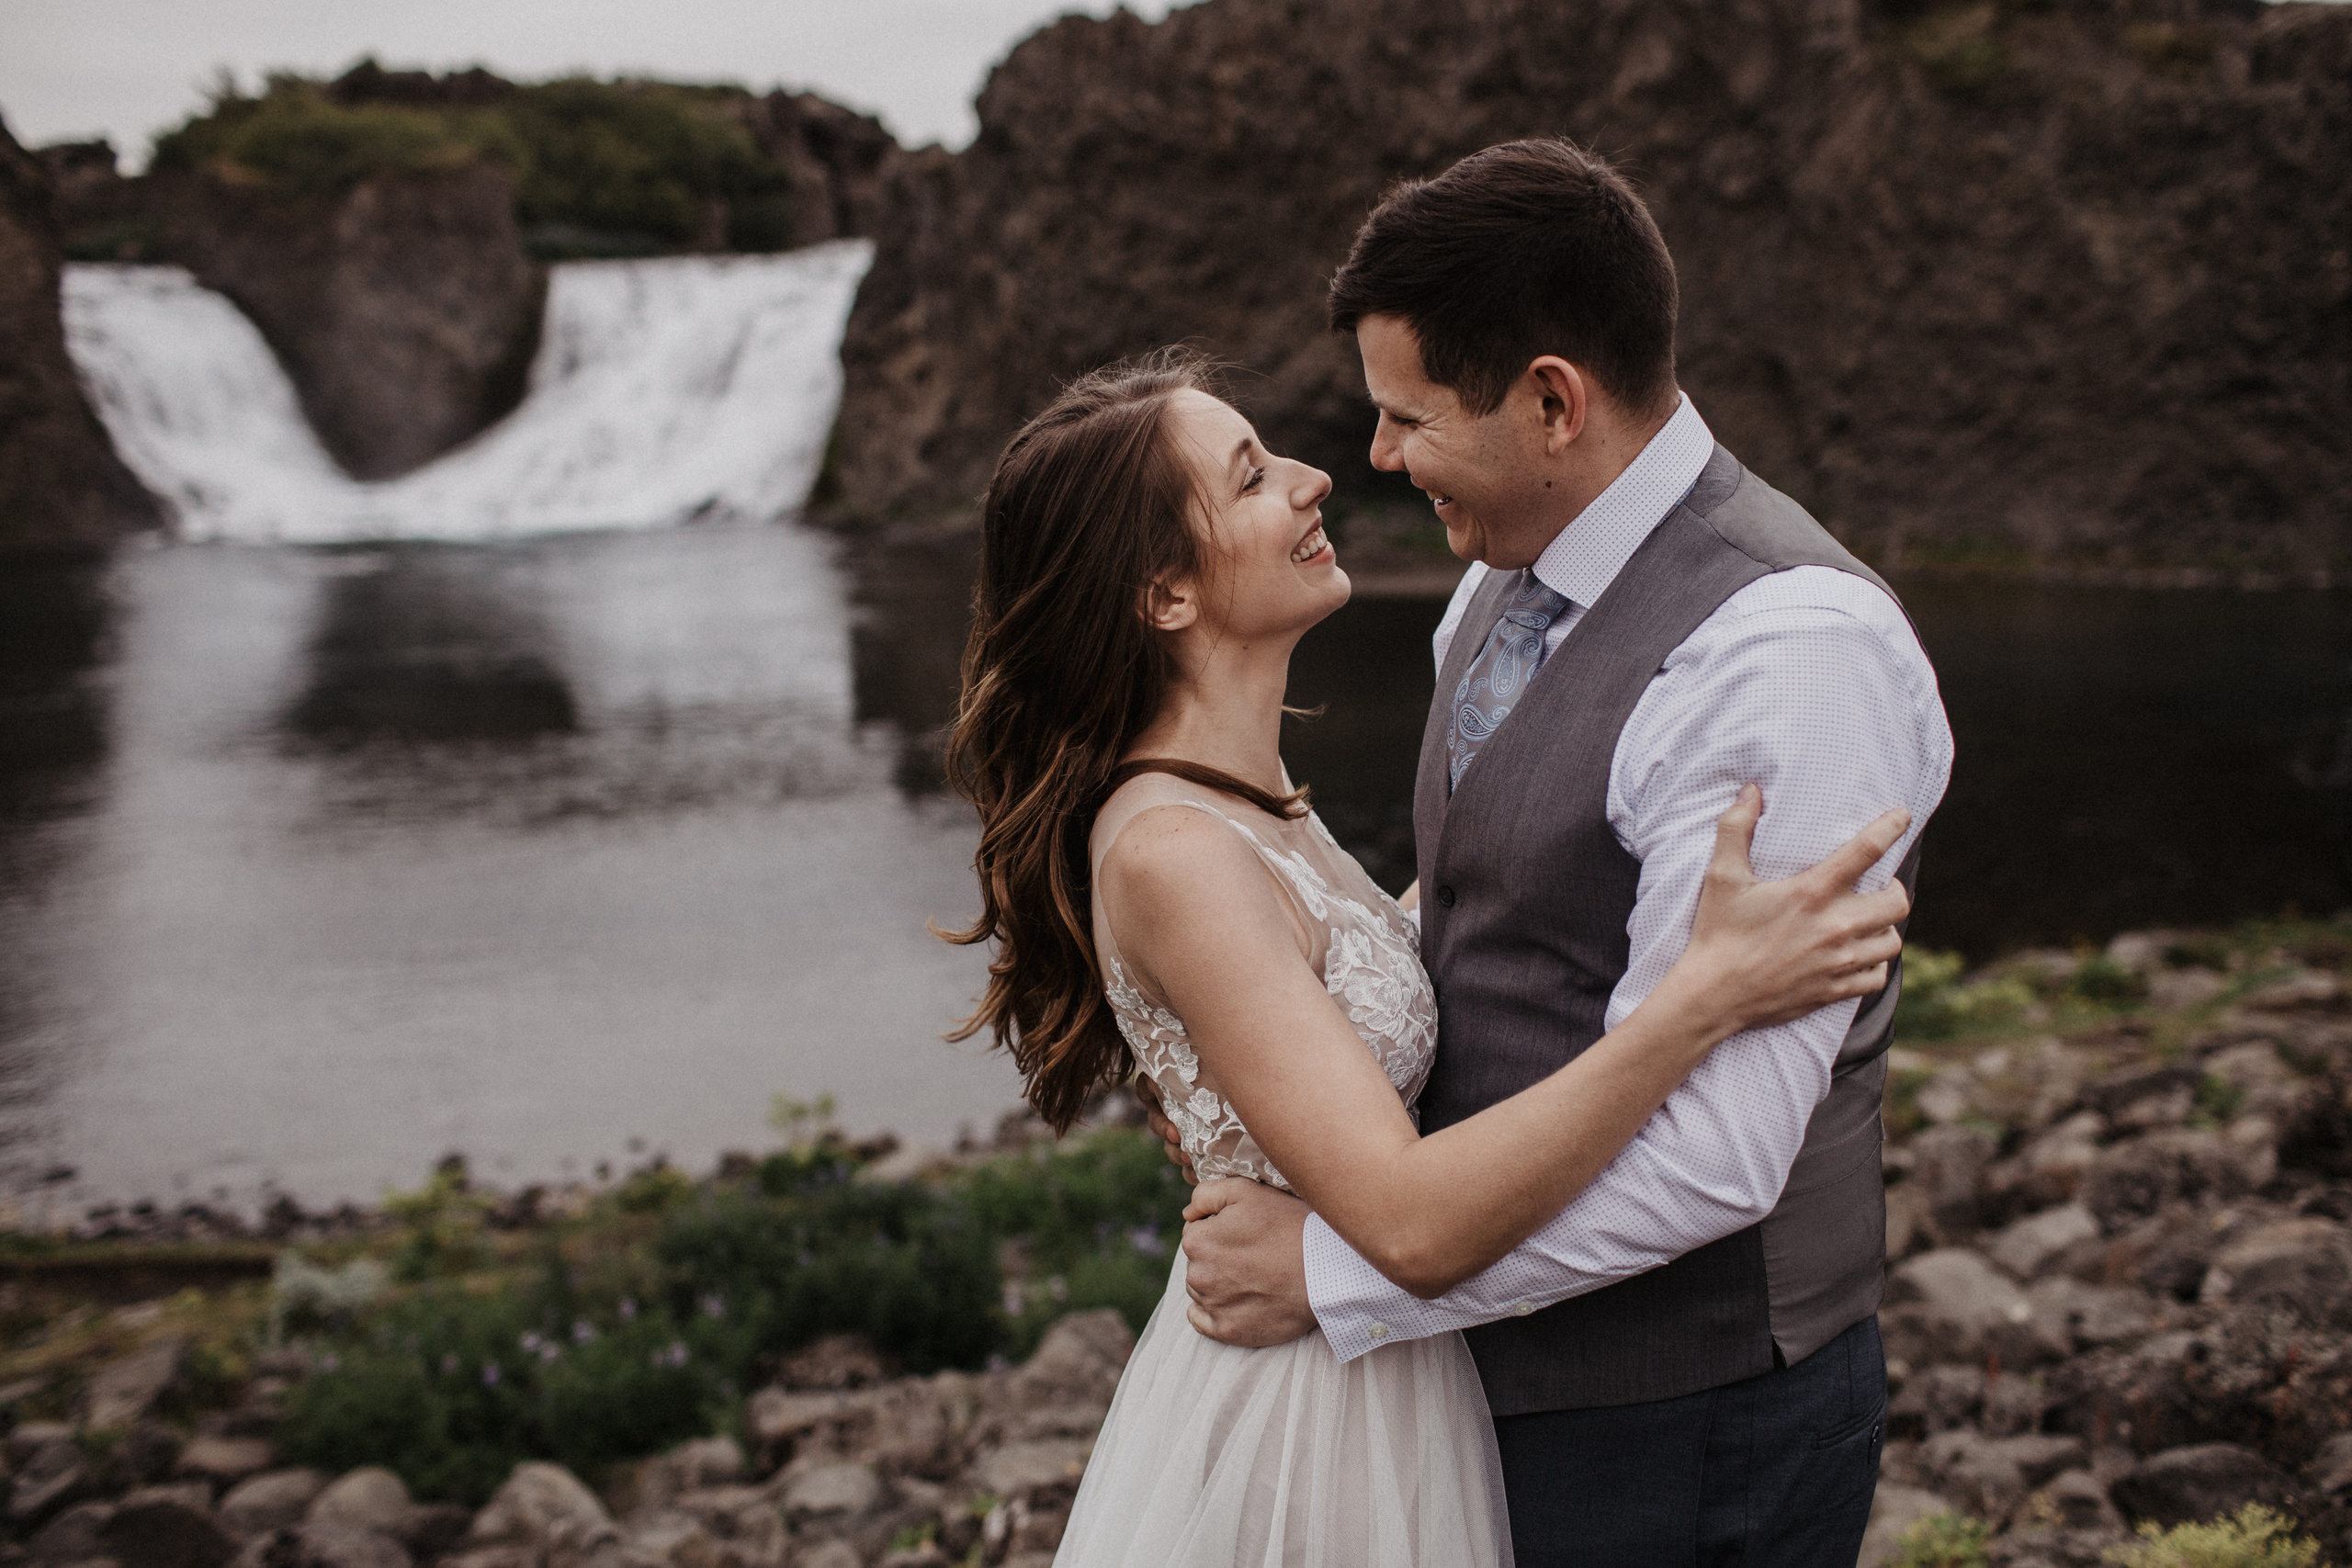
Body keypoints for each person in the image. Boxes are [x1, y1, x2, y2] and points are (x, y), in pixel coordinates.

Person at [940, 347, 1922, 1562]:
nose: (1314, 478)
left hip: (1400, 1375)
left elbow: (1380, 959)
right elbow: (1403, 1222)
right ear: (1165, 595)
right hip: (1309, 1412)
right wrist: (1707, 994)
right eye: (1250, 479)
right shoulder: (1175, 852)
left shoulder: (1249, 807)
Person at [1159, 139, 1954, 1567]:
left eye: (1408, 417)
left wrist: (1342, 1276)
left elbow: (1718, 1156)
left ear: (1550, 402)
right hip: (1480, 1383)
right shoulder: (1501, 577)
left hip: (1685, 1424)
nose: (1378, 459)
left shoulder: (1785, 656)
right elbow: (1486, 902)